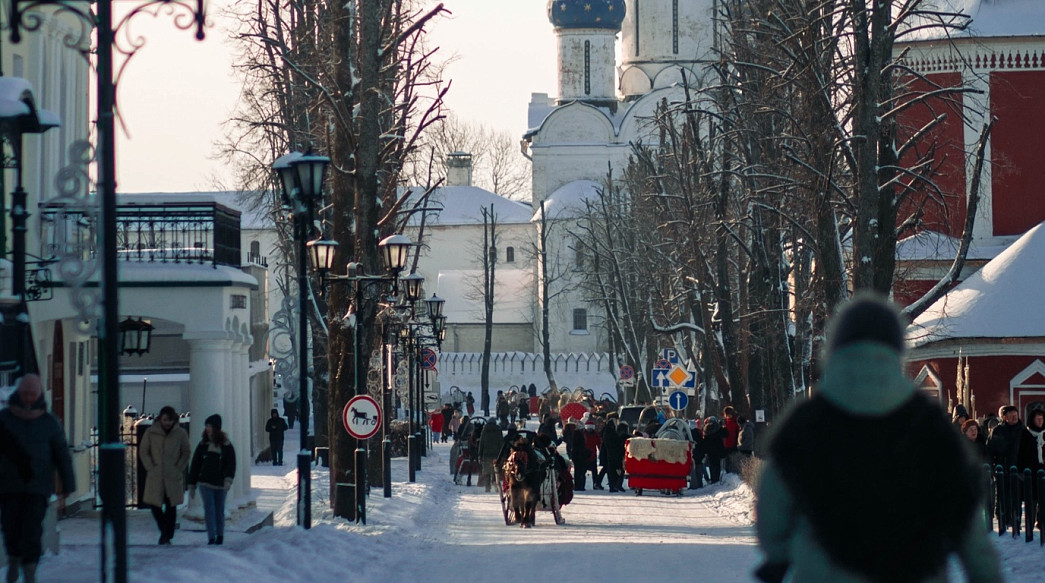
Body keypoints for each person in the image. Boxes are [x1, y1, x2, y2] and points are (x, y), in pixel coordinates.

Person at [755, 294, 1000, 583]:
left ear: (836, 348)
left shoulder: (808, 422)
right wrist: (984, 573)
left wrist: (780, 556)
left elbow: (773, 506)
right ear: (896, 348)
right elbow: (963, 511)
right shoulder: (929, 425)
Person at [0, 375, 75, 583]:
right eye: (26, 394)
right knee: (10, 527)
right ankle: (14, 561)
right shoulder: (4, 419)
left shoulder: (49, 422)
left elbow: (61, 453)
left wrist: (67, 483)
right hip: (8, 485)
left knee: (32, 530)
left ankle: (30, 573)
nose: (29, 399)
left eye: (33, 394)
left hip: (38, 486)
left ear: (39, 395)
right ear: (18, 394)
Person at [139, 405, 191, 545]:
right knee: (154, 505)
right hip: (155, 475)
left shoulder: (180, 434)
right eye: (165, 419)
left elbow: (186, 452)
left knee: (171, 505)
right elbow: (144, 451)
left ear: (174, 420)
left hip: (172, 475)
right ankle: (165, 531)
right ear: (160, 419)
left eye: (169, 420)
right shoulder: (151, 432)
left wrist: (178, 467)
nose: (167, 422)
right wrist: (150, 467)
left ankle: (167, 535)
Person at [187, 414, 236, 545]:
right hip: (205, 482)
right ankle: (211, 537)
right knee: (209, 509)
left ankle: (220, 535)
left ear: (216, 427)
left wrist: (228, 479)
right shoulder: (202, 444)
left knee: (219, 510)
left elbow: (231, 464)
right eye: (206, 426)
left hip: (220, 483)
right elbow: (195, 464)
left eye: (210, 426)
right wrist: (192, 483)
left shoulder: (226, 445)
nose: (207, 428)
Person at [987, 404, 1024, 530]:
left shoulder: (1022, 430)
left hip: (1018, 470)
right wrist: (993, 467)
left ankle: (1016, 520)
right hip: (1002, 469)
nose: (1014, 417)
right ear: (1004, 417)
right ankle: (1003, 520)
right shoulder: (997, 431)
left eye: (1015, 414)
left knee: (1017, 497)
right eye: (1010, 415)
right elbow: (990, 451)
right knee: (1002, 496)